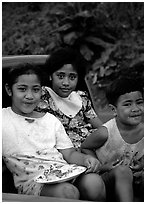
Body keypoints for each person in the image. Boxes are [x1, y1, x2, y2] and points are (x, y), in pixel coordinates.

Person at [2, 63, 106, 201]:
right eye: (22, 89)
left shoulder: (50, 120)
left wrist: (86, 159)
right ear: (9, 90)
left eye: (35, 90)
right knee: (68, 192)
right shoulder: (3, 118)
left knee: (94, 183)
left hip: (65, 171)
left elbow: (69, 153)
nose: (29, 96)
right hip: (35, 182)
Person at [81, 76, 144, 202]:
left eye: (140, 102)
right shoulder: (106, 132)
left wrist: (141, 165)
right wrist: (103, 166)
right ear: (114, 110)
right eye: (127, 104)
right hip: (106, 179)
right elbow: (84, 147)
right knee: (122, 171)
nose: (136, 109)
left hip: (134, 179)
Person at [36, 47, 104, 154]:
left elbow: (100, 126)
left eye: (72, 77)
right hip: (66, 150)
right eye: (61, 76)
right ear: (50, 76)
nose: (66, 83)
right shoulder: (43, 97)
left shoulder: (81, 98)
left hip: (90, 144)